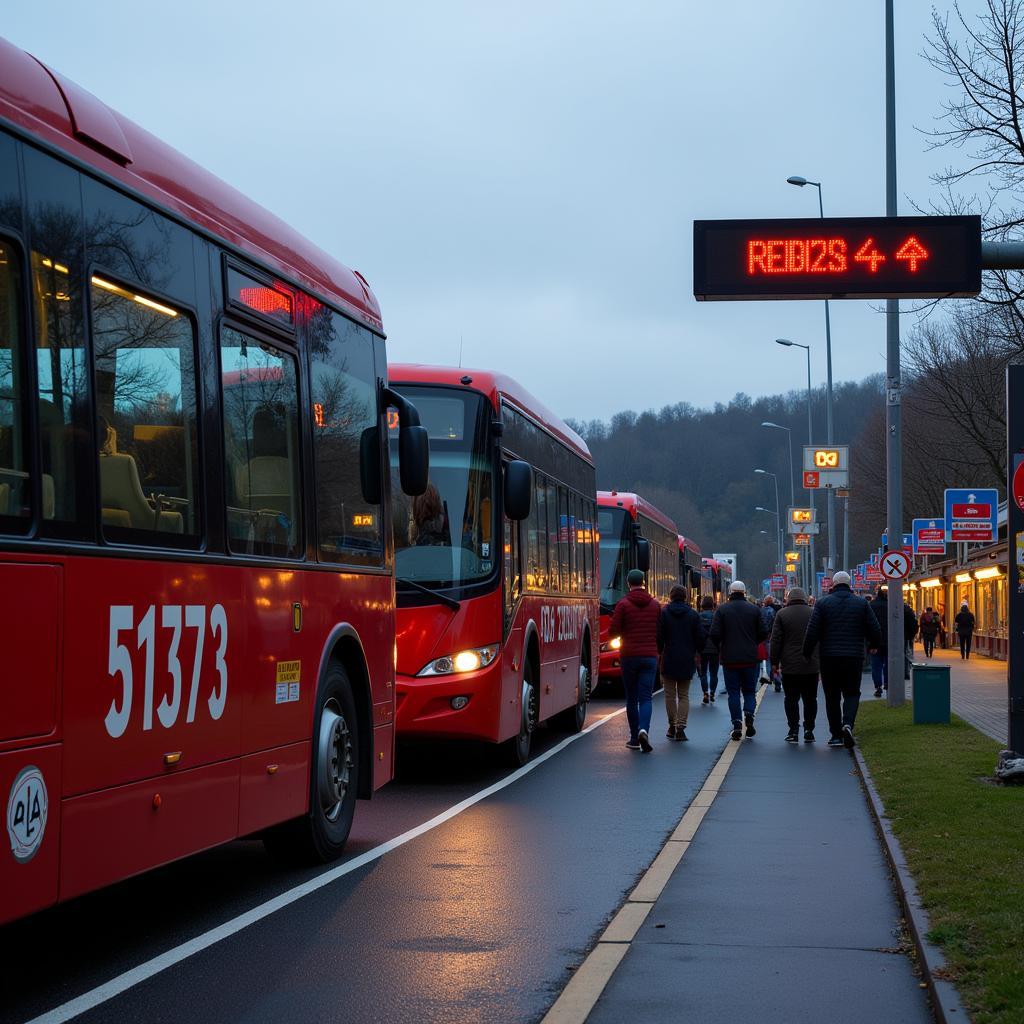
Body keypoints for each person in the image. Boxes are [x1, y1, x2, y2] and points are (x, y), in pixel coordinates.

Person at [803, 570, 882, 748]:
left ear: (833, 584)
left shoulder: (823, 604)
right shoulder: (861, 604)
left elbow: (812, 631)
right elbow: (875, 628)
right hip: (854, 656)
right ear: (849, 584)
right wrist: (874, 645)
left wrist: (807, 653)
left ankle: (836, 735)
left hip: (829, 657)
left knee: (832, 696)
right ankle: (848, 724)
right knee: (852, 693)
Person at [609, 568, 661, 752]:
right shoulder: (655, 605)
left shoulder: (623, 605)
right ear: (644, 582)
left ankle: (633, 737)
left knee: (631, 698)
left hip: (629, 655)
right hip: (649, 656)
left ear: (628, 583)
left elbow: (613, 631)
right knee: (645, 697)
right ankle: (644, 729)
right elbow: (660, 631)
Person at [710, 580, 768, 741]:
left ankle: (736, 724)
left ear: (730, 592)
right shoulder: (754, 609)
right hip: (750, 658)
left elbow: (714, 633)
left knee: (733, 692)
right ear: (744, 593)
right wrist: (752, 643)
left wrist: (722, 645)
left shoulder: (722, 610)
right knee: (749, 691)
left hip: (730, 659)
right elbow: (764, 632)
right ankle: (749, 713)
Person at [770, 587, 819, 743]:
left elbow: (776, 640)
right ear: (804, 598)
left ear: (789, 599)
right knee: (810, 699)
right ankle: (809, 729)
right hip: (811, 664)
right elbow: (820, 637)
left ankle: (793, 730)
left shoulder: (782, 614)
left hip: (789, 664)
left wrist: (774, 662)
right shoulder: (813, 613)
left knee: (791, 699)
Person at [657, 585, 703, 741]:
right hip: (687, 658)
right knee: (684, 695)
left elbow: (659, 637)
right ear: (685, 597)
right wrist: (696, 651)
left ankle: (672, 725)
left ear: (670, 596)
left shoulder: (663, 613)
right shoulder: (693, 615)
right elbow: (700, 639)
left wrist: (660, 651)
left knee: (669, 696)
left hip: (668, 657)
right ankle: (680, 728)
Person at [868, 585, 918, 698]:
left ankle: (878, 686)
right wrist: (909, 636)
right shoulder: (899, 605)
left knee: (876, 664)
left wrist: (867, 639)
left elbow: (866, 623)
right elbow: (912, 620)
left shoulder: (872, 605)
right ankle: (887, 682)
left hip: (876, 641)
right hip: (894, 640)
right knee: (889, 663)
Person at [697, 594, 719, 703]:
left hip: (701, 648)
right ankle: (712, 693)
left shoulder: (698, 617)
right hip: (715, 648)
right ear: (713, 605)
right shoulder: (717, 616)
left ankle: (705, 692)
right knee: (714, 673)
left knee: (703, 672)